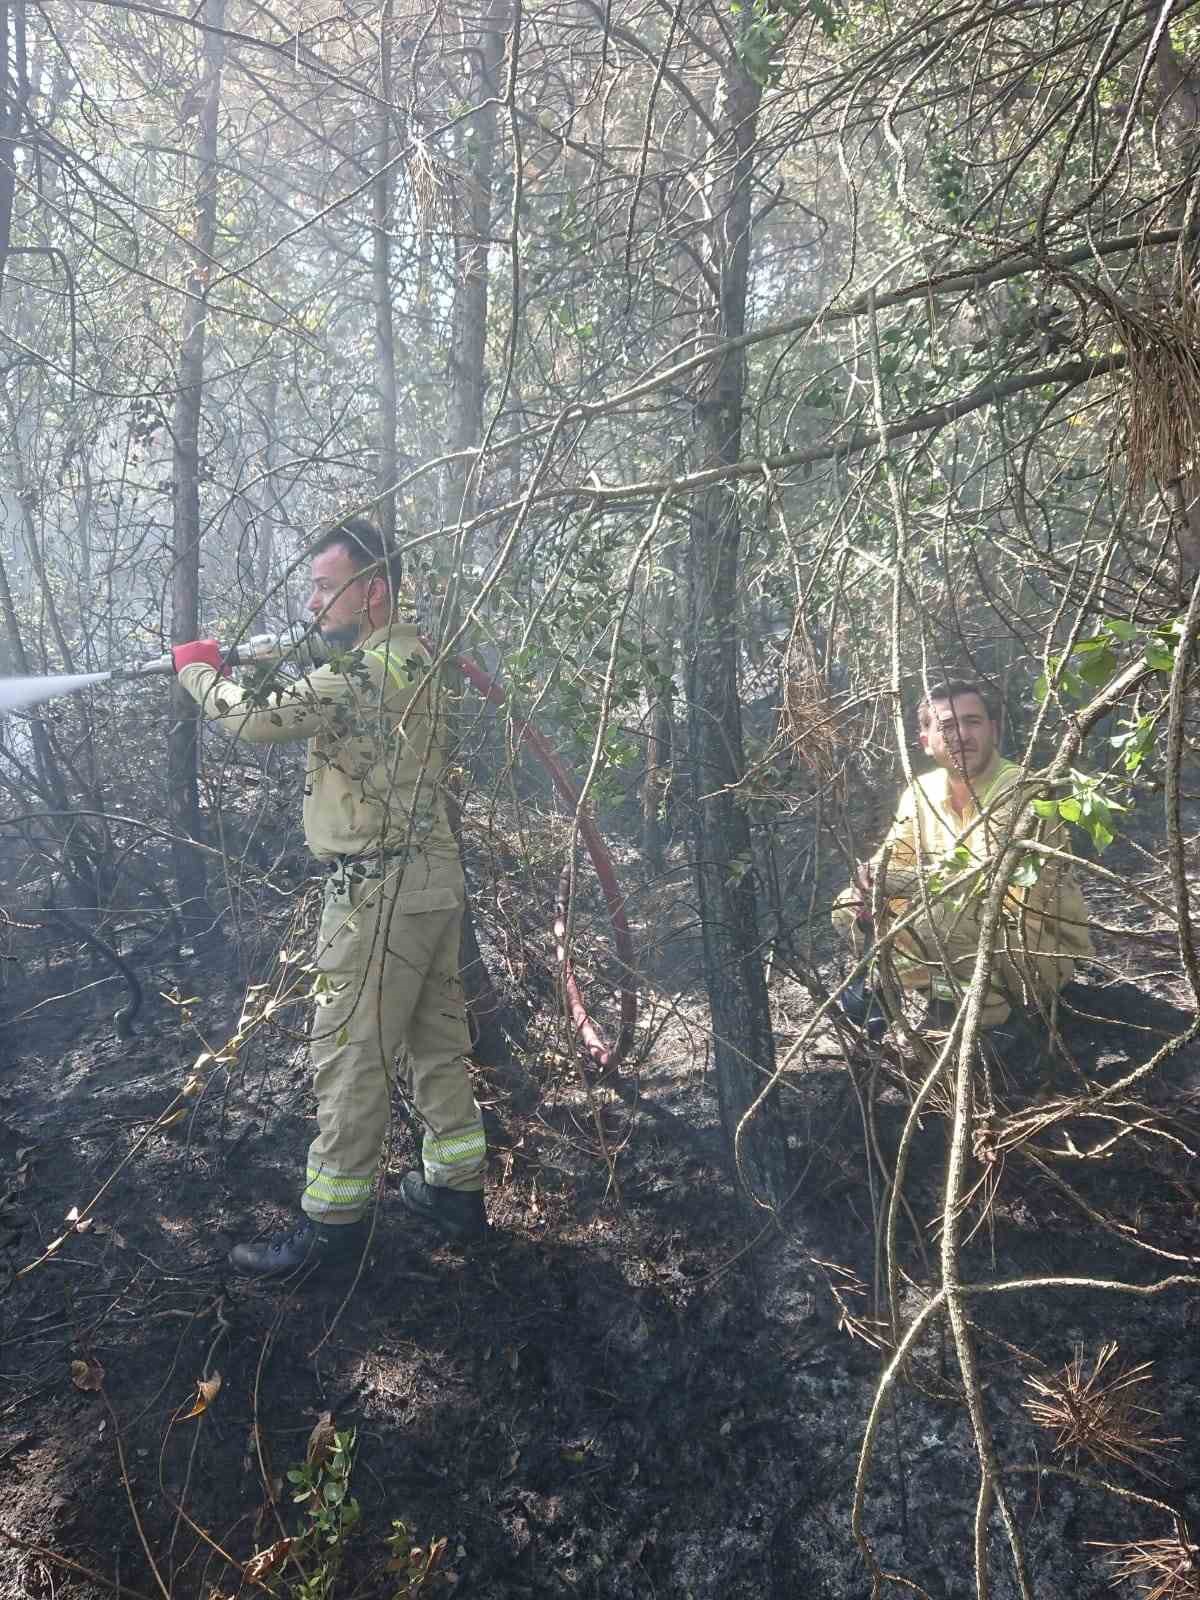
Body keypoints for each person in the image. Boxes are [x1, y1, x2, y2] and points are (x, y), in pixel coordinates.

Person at [173, 517, 487, 1277]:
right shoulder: (413, 654)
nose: (311, 601)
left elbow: (252, 719)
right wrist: (271, 648)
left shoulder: (357, 678)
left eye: (324, 586)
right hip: (432, 881)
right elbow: (322, 658)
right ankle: (456, 1192)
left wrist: (197, 670)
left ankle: (331, 1228)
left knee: (348, 1054)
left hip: (377, 895)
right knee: (436, 1044)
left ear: (372, 589)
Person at [832, 678, 1092, 1038]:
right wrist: (871, 877)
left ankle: (988, 1023)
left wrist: (886, 881)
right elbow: (896, 858)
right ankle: (928, 995)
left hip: (1035, 949)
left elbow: (983, 877)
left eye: (973, 722)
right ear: (926, 741)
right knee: (848, 906)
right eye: (947, 726)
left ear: (994, 732)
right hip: (964, 934)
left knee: (934, 916)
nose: (962, 735)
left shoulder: (1022, 790)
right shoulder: (922, 791)